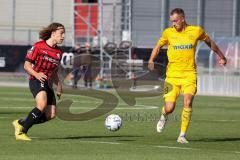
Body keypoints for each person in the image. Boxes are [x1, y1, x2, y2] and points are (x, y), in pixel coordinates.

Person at [148, 8, 227, 143]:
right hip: (172, 76)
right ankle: (164, 115)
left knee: (188, 102)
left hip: (189, 75)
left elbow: (210, 43)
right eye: (172, 21)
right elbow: (157, 46)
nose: (174, 24)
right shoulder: (168, 32)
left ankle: (182, 135)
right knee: (169, 108)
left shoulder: (196, 31)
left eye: (176, 21)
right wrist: (151, 60)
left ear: (183, 19)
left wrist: (221, 56)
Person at [12, 22, 65, 141]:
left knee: (50, 115)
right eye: (61, 33)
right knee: (41, 105)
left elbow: (55, 71)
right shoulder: (38, 46)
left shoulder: (59, 53)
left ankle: (21, 123)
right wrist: (37, 74)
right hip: (35, 80)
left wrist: (59, 86)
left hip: (48, 83)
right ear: (53, 33)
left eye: (64, 33)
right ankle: (22, 132)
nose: (63, 36)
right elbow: (26, 65)